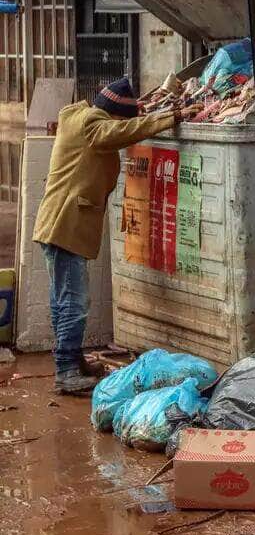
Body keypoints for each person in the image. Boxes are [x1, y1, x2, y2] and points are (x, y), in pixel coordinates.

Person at [33, 78, 199, 394]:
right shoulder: (93, 125)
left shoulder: (79, 116)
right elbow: (119, 133)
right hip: (66, 224)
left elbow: (118, 126)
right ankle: (66, 371)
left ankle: (71, 360)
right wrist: (171, 116)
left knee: (63, 300)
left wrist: (142, 110)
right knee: (74, 303)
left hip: (57, 223)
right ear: (113, 115)